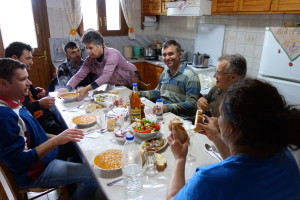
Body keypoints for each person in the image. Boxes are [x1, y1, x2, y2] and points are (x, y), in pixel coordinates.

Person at [166, 78, 300, 200]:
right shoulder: (287, 158)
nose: (218, 120)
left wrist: (180, 158)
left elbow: (173, 197)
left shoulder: (208, 179)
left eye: (222, 115)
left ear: (233, 128)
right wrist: (217, 138)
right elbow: (242, 165)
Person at [0, 58, 106, 200]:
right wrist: (56, 141)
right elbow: (19, 160)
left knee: (78, 148)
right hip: (35, 172)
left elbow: (32, 134)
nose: (29, 83)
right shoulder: (4, 116)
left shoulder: (13, 101)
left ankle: (72, 184)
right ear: (2, 83)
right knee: (94, 176)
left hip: (43, 159)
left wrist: (60, 136)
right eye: (23, 79)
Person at [5, 42, 65, 135]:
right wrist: (39, 104)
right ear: (14, 58)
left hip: (41, 116)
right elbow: (18, 111)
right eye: (28, 58)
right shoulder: (9, 83)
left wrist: (35, 92)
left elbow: (28, 98)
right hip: (35, 124)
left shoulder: (22, 73)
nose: (32, 62)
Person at [58, 30, 137, 100]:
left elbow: (106, 77)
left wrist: (86, 89)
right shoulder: (90, 60)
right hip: (119, 85)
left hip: (132, 81)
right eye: (87, 48)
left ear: (100, 45)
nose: (88, 51)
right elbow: (79, 75)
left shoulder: (112, 54)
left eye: (91, 48)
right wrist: (67, 88)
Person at [140, 40, 200, 121]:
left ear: (179, 54)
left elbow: (192, 104)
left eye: (171, 54)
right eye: (164, 55)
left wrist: (167, 107)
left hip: (181, 120)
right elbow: (158, 92)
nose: (167, 58)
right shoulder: (165, 72)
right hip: (164, 115)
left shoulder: (190, 76)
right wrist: (139, 94)